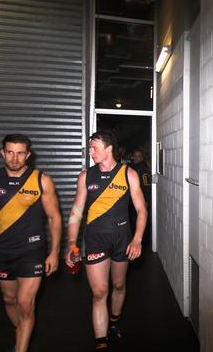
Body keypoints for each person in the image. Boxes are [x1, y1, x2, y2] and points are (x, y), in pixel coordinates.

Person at [0, 133, 62, 352]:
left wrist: (54, 251)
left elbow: (54, 217)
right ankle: (24, 331)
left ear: (29, 155)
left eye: (20, 153)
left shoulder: (41, 180)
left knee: (25, 304)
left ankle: (21, 346)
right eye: (10, 152)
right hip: (3, 252)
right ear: (2, 153)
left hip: (32, 250)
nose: (15, 158)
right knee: (9, 299)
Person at [65, 131, 147, 350]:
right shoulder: (85, 176)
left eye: (94, 148)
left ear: (109, 148)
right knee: (99, 292)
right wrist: (72, 244)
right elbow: (76, 211)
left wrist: (137, 239)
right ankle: (101, 343)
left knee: (119, 285)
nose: (90, 152)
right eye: (90, 148)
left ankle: (113, 321)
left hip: (122, 239)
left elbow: (141, 210)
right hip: (94, 239)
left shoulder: (128, 174)